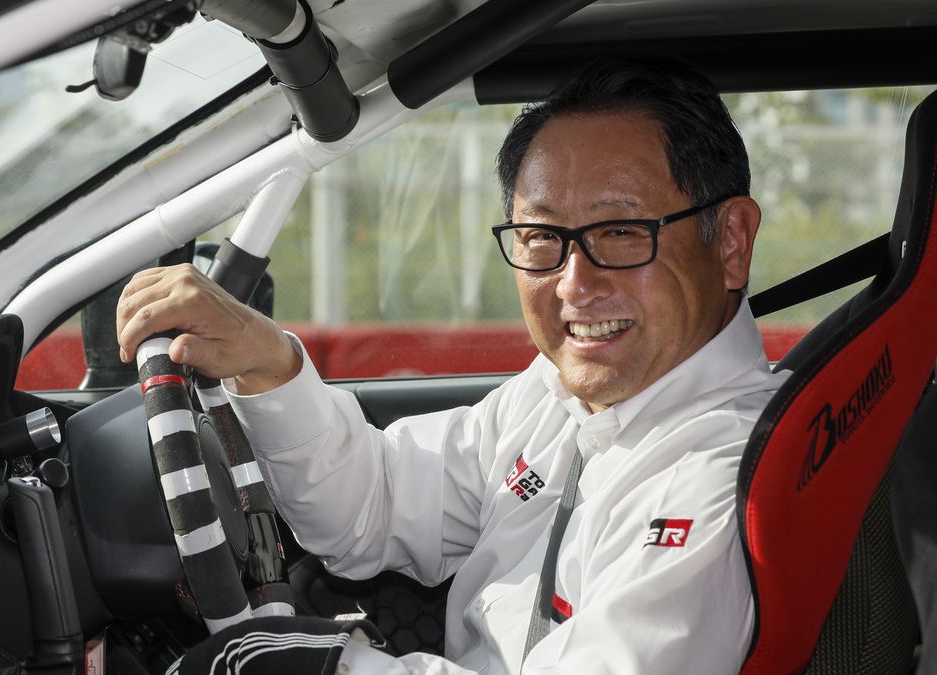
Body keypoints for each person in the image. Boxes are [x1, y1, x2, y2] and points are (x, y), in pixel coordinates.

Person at [115, 59, 787, 673]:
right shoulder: (565, 394)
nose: (574, 284)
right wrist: (268, 363)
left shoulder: (720, 476)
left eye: (621, 232)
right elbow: (376, 506)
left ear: (730, 241)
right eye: (542, 237)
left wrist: (331, 667)